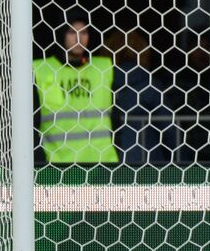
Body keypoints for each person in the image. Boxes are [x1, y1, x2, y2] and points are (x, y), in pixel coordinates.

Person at [33, 13, 119, 164]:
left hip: (102, 165)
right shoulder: (42, 70)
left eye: (84, 32)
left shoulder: (103, 69)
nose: (79, 38)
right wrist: (40, 160)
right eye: (72, 32)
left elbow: (116, 119)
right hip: (58, 167)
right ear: (61, 34)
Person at [106, 30, 176, 166]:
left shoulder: (103, 85)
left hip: (111, 163)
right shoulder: (150, 86)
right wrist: (184, 163)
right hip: (150, 163)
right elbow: (169, 130)